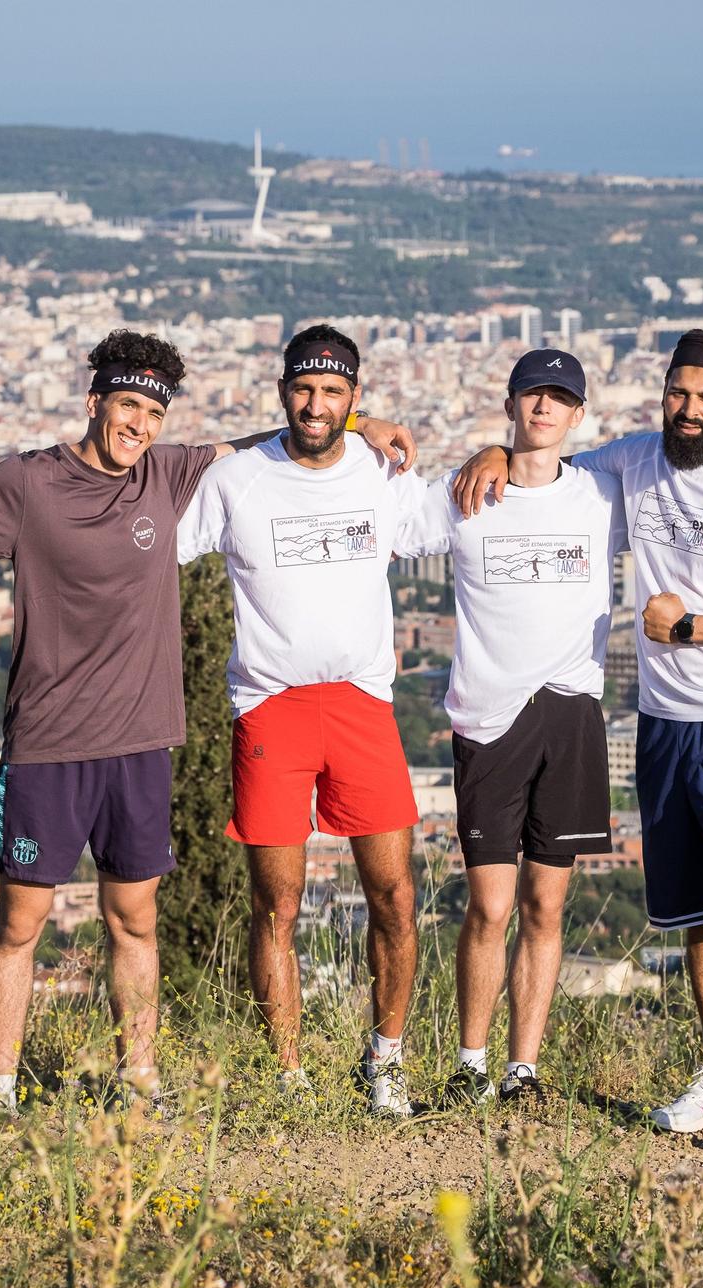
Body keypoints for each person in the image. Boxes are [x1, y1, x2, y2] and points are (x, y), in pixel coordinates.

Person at [0, 329, 416, 1112]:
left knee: (134, 917)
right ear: (94, 402)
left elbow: (259, 442)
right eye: (126, 405)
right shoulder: (27, 483)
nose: (137, 423)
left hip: (141, 739)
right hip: (46, 738)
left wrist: (357, 423)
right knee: (21, 918)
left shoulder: (167, 473)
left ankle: (138, 1079)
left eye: (151, 410)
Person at [453, 330, 703, 1155]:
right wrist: (491, 444)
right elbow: (547, 465)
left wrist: (695, 626)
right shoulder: (632, 462)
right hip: (664, 726)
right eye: (677, 393)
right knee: (696, 916)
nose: (687, 410)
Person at [178, 324, 430, 1117]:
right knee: (275, 905)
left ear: (354, 398)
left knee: (393, 893)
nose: (314, 405)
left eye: (332, 393)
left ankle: (384, 1060)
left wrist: (490, 457)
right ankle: (286, 1073)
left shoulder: (381, 473)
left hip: (361, 704)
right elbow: (152, 541)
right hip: (270, 707)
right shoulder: (237, 480)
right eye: (303, 389)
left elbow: (467, 510)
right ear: (282, 390)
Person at [399, 349, 622, 1107]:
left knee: (546, 906)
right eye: (534, 394)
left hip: (570, 711)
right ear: (511, 402)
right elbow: (380, 523)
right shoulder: (465, 494)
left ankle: (523, 1068)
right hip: (490, 717)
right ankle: (470, 1062)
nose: (544, 408)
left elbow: (689, 480)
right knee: (490, 905)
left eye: (560, 398)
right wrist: (365, 432)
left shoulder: (602, 495)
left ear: (578, 414)